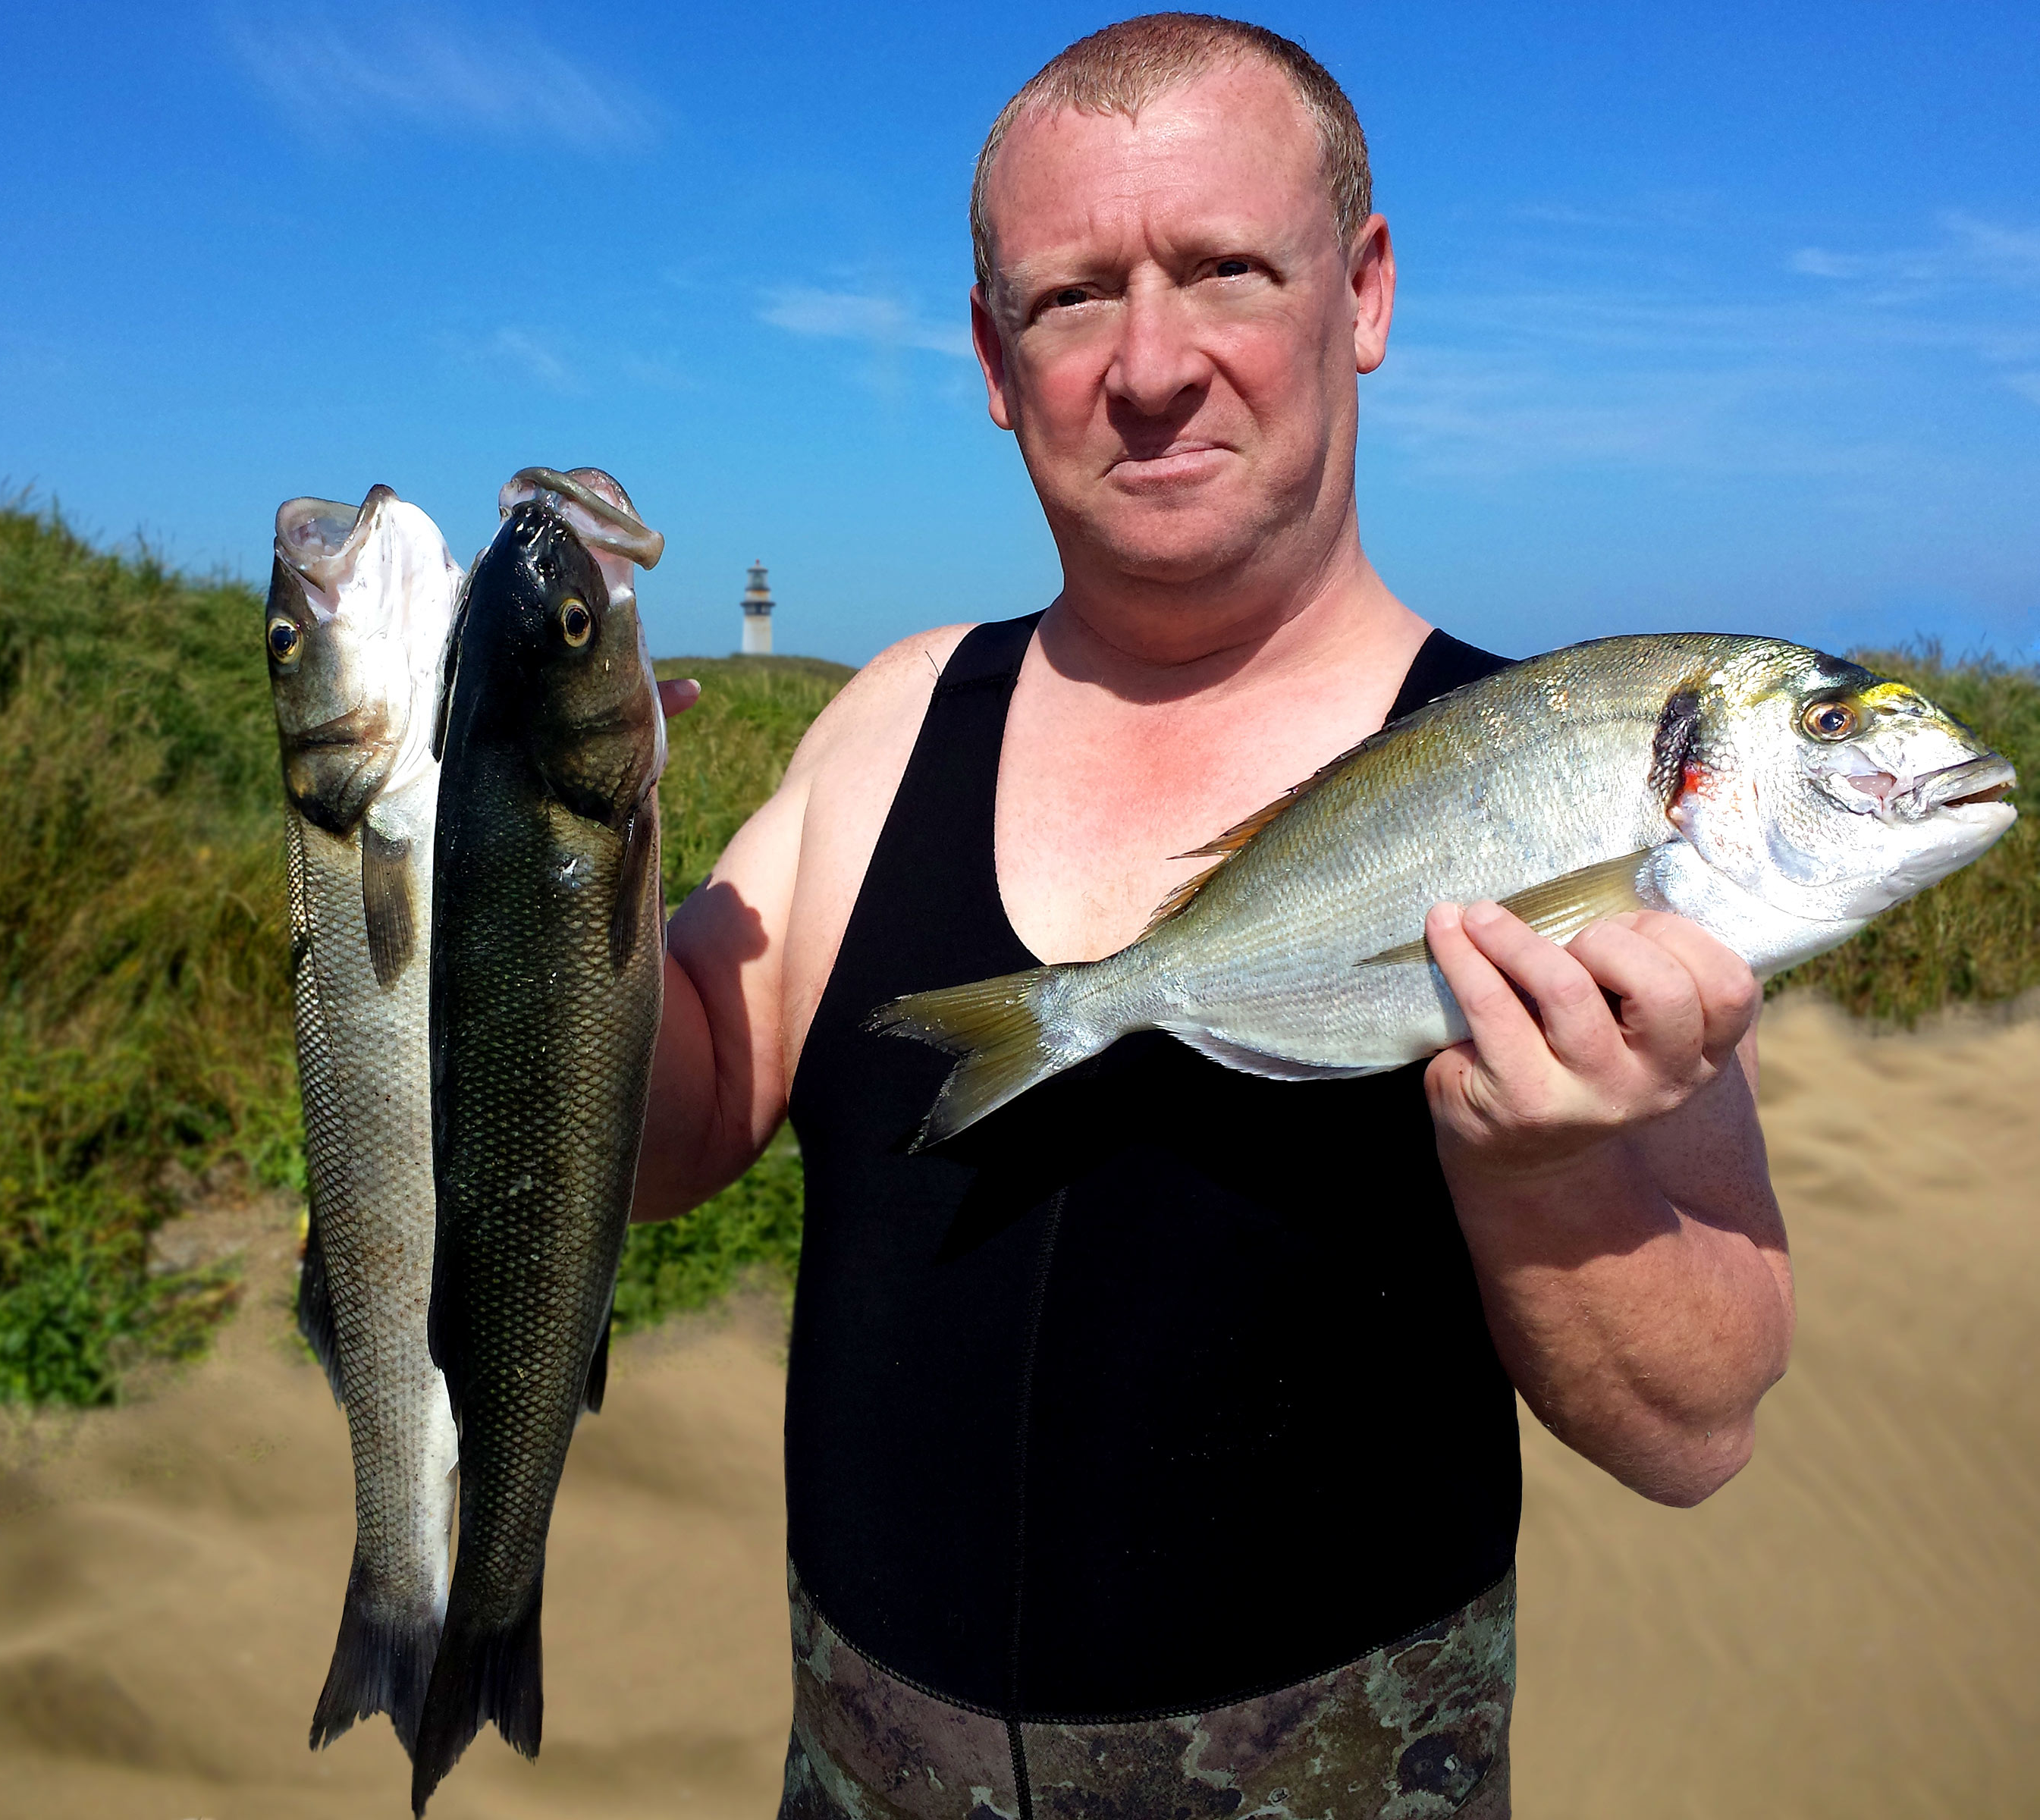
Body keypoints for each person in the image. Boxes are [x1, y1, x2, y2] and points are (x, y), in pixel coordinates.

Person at [636, 16, 1794, 1818]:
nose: (1150, 365)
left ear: (1366, 294)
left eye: (1225, 270)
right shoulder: (892, 720)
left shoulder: (1551, 772)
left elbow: (1697, 1427)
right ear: (993, 359)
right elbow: (666, 1126)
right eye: (1073, 297)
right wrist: (549, 875)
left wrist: (1549, 1165)